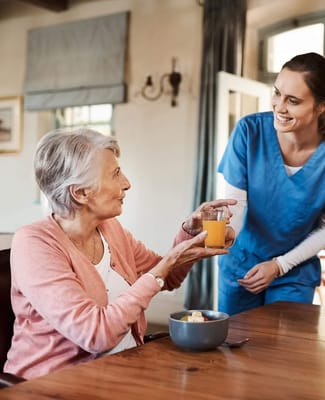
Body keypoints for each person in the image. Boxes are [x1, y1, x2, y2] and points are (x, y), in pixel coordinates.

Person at [4, 128, 236, 379]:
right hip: (55, 386)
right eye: (115, 174)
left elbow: (164, 277)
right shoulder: (34, 244)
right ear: (81, 193)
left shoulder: (109, 229)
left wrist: (190, 236)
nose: (126, 183)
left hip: (124, 372)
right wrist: (166, 265)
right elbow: (95, 335)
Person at [217, 52, 325, 315]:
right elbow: (236, 203)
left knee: (283, 351)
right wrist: (225, 233)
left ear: (323, 104)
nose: (279, 106)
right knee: (233, 347)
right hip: (241, 263)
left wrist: (280, 266)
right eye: (277, 93)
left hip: (293, 271)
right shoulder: (249, 132)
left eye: (293, 101)